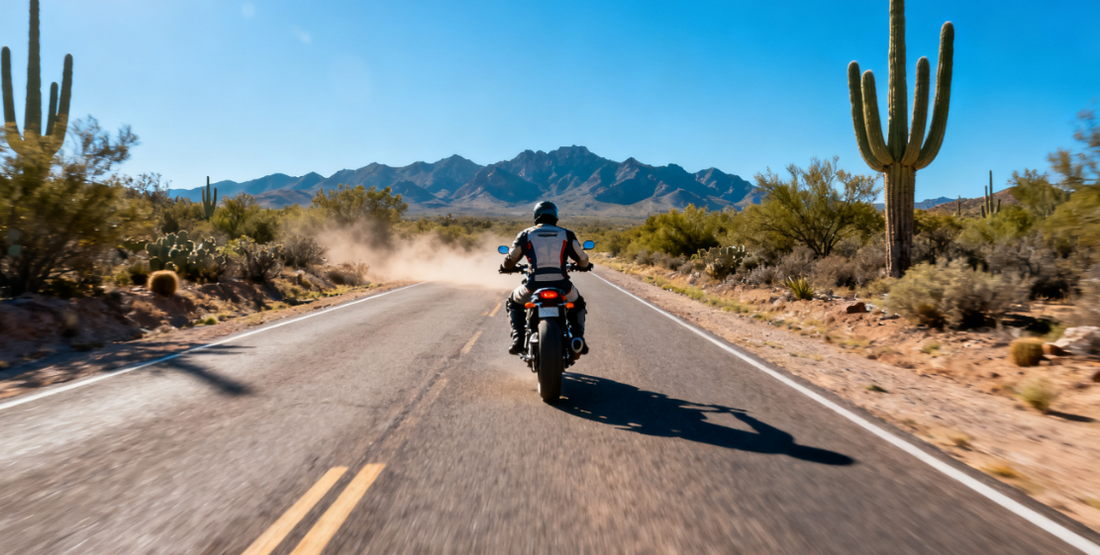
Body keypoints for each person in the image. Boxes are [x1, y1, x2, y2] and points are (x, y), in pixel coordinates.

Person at [499, 201, 593, 355]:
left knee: (513, 302)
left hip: (533, 287)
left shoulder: (525, 234)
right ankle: (578, 338)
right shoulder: (567, 234)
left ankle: (518, 339)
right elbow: (582, 258)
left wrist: (506, 267)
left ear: (536, 216)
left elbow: (511, 258)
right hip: (562, 287)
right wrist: (584, 265)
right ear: (555, 216)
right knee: (578, 303)